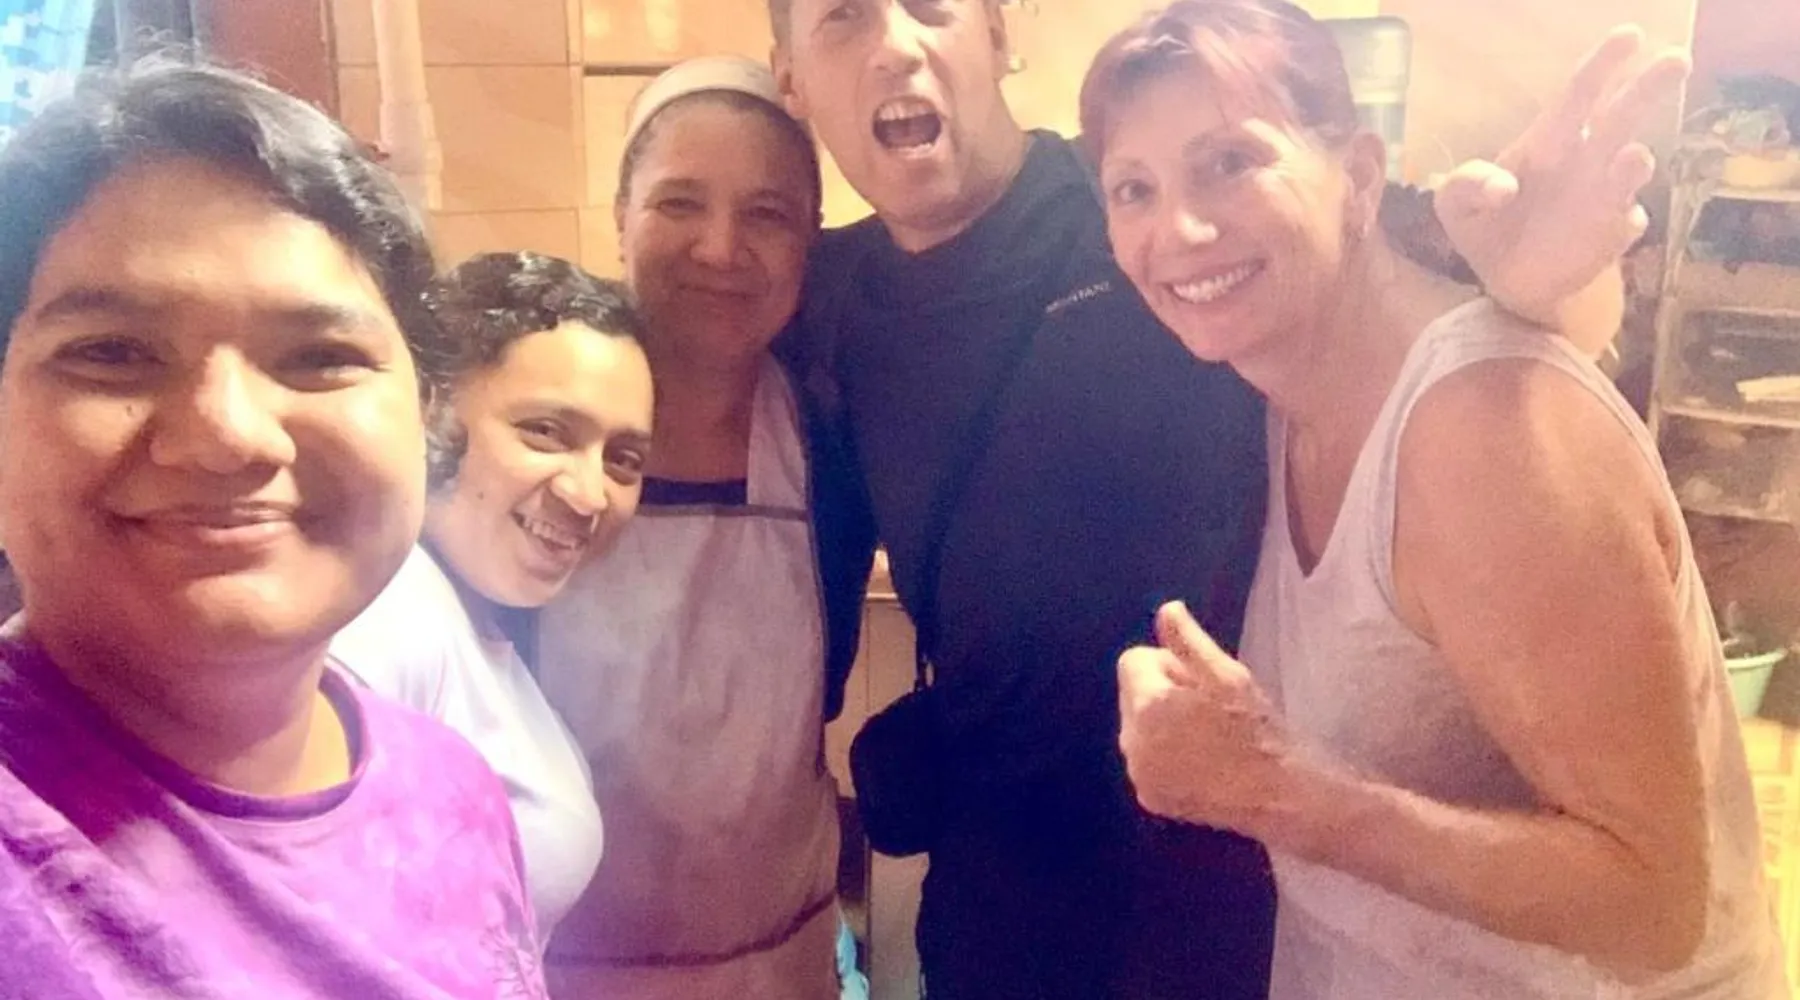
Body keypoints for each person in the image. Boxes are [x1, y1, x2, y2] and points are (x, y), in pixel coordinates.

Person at [765, 0, 1643, 996]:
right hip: (998, 895)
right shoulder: (824, 302)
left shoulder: (1157, 201)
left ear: (999, 30)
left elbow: (1479, 277)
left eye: (931, 6)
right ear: (791, 76)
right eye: (843, 17)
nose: (894, 43)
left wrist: (1558, 292)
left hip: (1253, 885)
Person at [1092, 3, 1787, 997]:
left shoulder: (1477, 431)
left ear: (1358, 176)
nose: (1182, 230)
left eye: (1230, 163)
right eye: (1135, 189)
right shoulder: (1288, 390)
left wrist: (1275, 790)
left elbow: (1656, 901)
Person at [0, 58, 546, 997]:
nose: (227, 435)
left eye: (319, 357)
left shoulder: (452, 789)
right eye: (113, 353)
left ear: (426, 413)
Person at [534, 56, 865, 1000]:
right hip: (558, 974)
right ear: (620, 217)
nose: (721, 249)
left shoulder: (831, 443)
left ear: (808, 243)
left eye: (767, 214)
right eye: (679, 203)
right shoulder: (526, 437)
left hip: (782, 967)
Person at [330, 251, 654, 941]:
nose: (590, 494)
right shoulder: (385, 613)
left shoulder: (464, 612)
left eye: (622, 459)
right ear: (430, 409)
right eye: (546, 431)